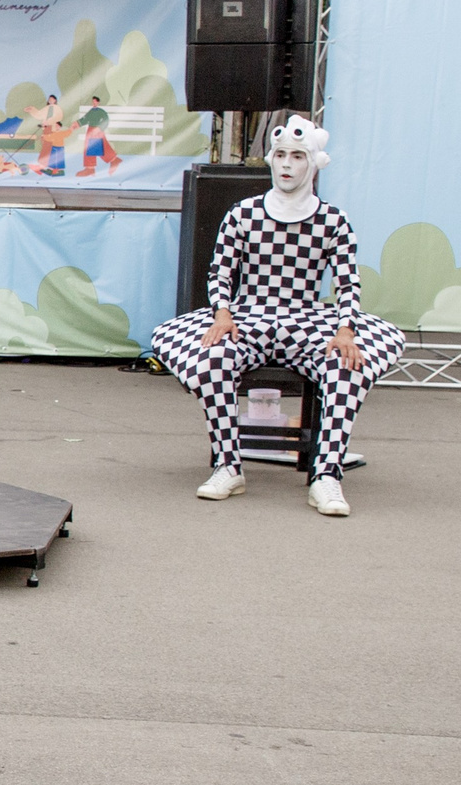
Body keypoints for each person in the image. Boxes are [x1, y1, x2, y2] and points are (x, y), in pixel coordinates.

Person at [148, 114, 403, 516]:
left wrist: (346, 327)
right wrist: (222, 313)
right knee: (213, 357)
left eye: (297, 156)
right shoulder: (243, 213)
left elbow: (348, 282)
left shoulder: (333, 220)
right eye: (281, 154)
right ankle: (228, 465)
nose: (287, 164)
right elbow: (221, 270)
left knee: (346, 364)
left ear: (313, 163)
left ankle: (326, 475)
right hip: (249, 315)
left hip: (307, 318)